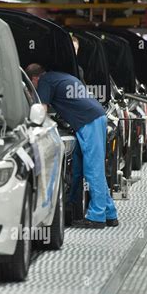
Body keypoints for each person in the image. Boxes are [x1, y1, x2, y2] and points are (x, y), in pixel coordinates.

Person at [26, 63, 118, 229]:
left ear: (34, 79)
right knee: (92, 167)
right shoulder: (58, 76)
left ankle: (97, 217)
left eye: (32, 85)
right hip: (95, 117)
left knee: (92, 169)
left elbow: (41, 111)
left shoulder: (45, 81)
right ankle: (109, 213)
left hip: (89, 121)